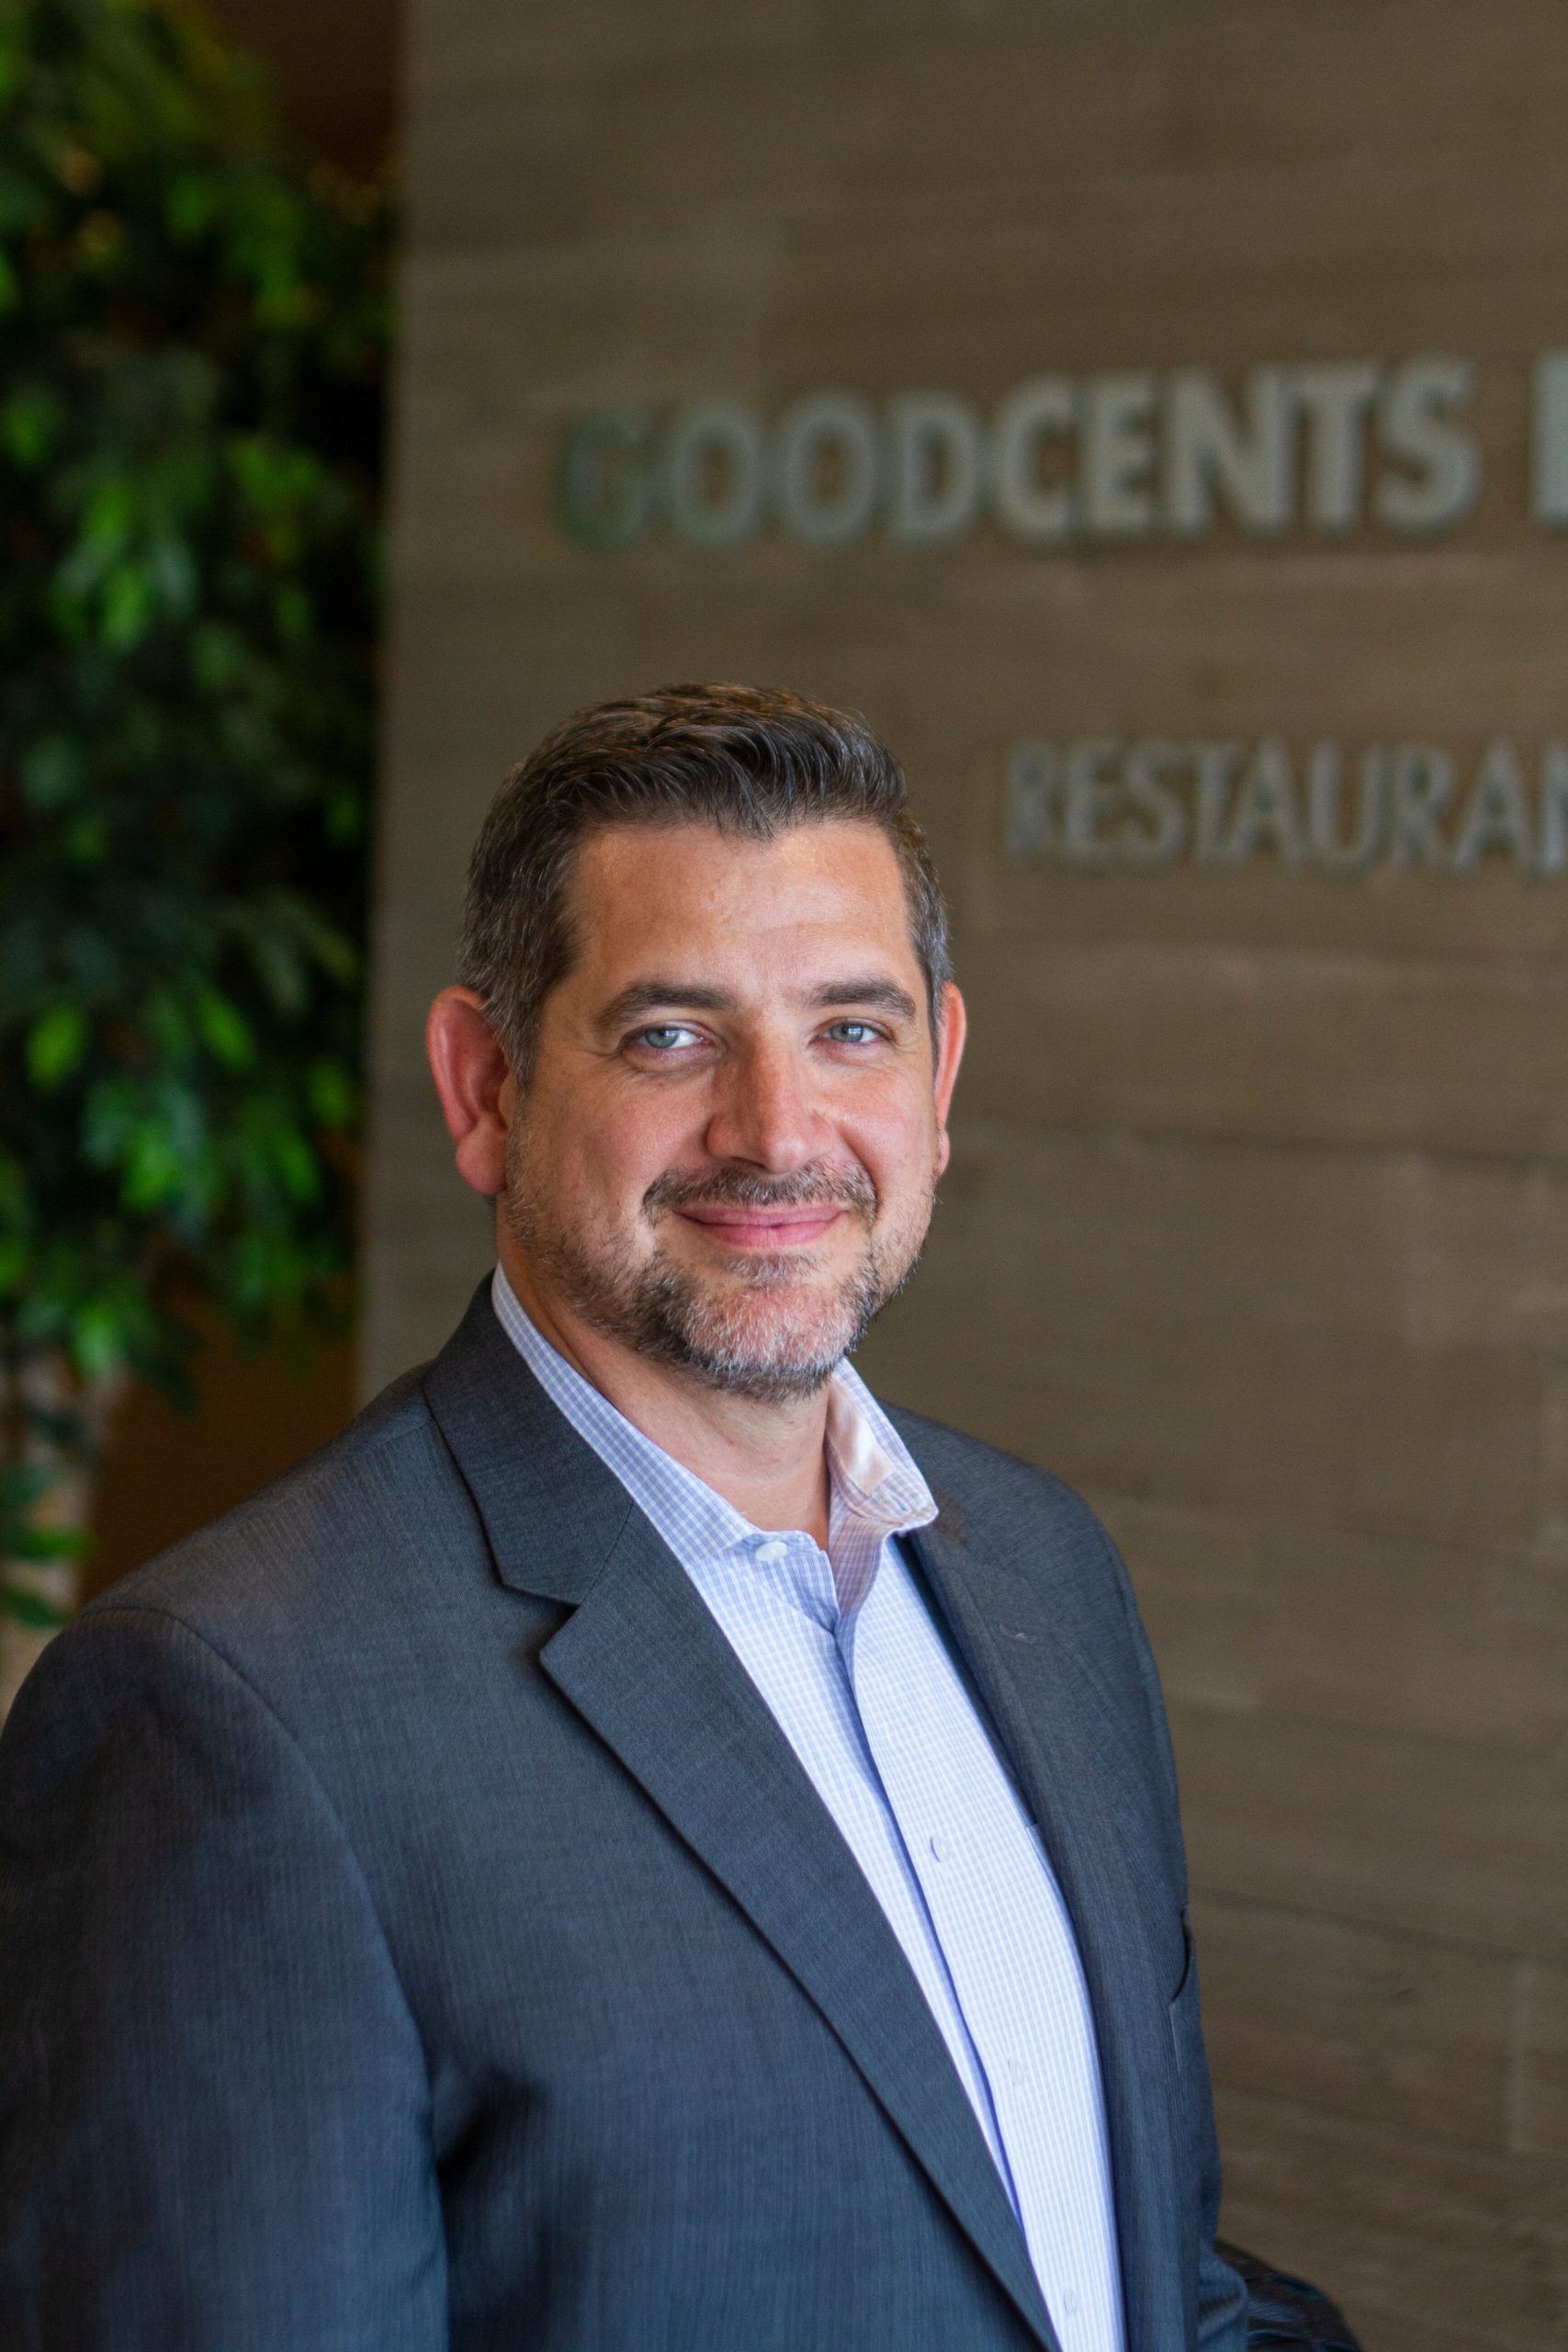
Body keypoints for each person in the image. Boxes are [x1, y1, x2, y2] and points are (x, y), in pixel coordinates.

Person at [0, 684, 1248, 2351]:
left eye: (851, 1030)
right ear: (486, 1088)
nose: (779, 1131)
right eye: (671, 1035)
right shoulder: (225, 1712)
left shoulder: (1045, 1570)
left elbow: (1157, 2290)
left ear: (940, 1073)